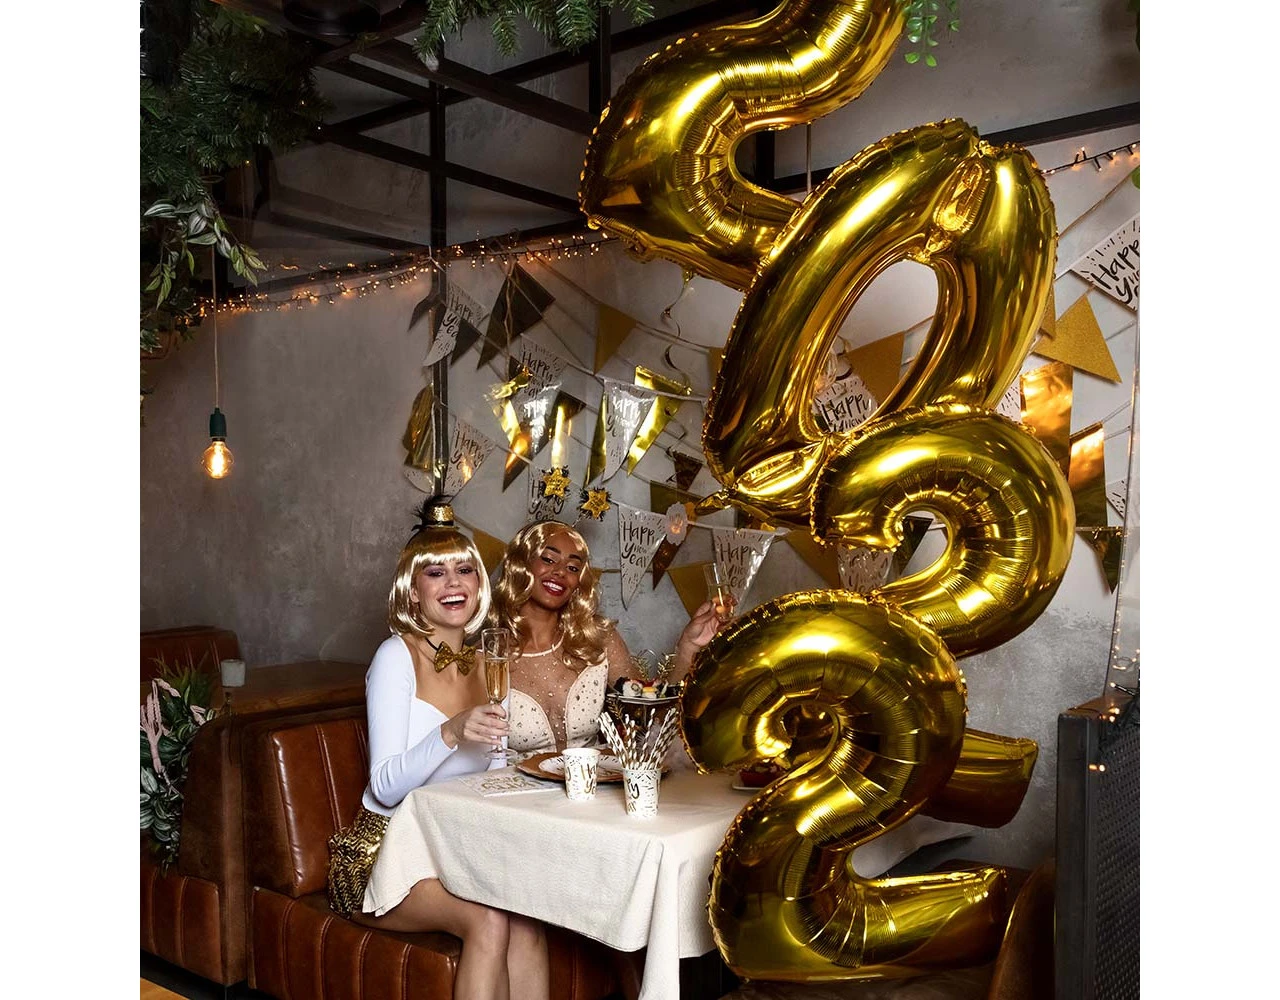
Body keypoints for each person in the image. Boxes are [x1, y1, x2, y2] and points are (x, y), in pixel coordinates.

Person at [326, 499, 549, 1000]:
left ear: (479, 584)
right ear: (413, 589)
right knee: (489, 919)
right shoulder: (395, 655)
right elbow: (384, 787)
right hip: (383, 854)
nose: (453, 582)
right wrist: (450, 732)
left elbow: (492, 770)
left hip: (455, 844)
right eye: (436, 572)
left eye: (465, 570)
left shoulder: (489, 663)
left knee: (529, 913)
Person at [487, 519, 722, 757]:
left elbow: (651, 718)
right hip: (515, 782)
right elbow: (474, 753)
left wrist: (688, 648)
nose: (560, 572)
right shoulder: (487, 658)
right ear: (521, 564)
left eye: (573, 567)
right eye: (548, 559)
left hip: (596, 779)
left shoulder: (598, 639)